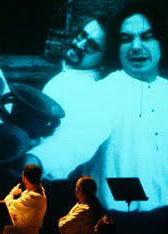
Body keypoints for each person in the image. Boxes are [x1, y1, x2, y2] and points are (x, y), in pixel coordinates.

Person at [82, 0, 168, 213]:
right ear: (116, 48)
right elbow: (75, 141)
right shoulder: (105, 90)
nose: (136, 47)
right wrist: (39, 160)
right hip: (113, 217)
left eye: (146, 37)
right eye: (126, 39)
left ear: (162, 42)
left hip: (162, 213)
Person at [28, 15, 108, 180]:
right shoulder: (71, 74)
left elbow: (75, 143)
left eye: (91, 46)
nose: (79, 44)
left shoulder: (91, 91)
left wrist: (36, 160)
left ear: (103, 59)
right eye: (82, 35)